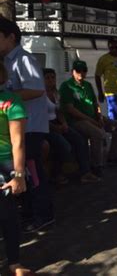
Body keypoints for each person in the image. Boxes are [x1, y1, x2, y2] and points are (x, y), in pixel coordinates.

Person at [0, 17, 54, 233]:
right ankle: (30, 213)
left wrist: (6, 97)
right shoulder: (6, 61)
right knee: (23, 173)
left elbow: (36, 89)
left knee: (33, 172)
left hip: (30, 127)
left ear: (11, 37)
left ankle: (44, 215)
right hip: (16, 128)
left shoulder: (24, 59)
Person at [59, 60, 117, 177]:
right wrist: (92, 121)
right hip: (77, 121)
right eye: (78, 71)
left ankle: (113, 156)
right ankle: (96, 165)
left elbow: (95, 104)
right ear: (72, 72)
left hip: (93, 117)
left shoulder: (88, 85)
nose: (81, 74)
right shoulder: (66, 86)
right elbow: (71, 110)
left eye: (84, 71)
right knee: (98, 133)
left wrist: (99, 116)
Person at [0, 62, 34, 276]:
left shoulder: (12, 102)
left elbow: (18, 142)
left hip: (5, 165)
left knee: (7, 214)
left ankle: (13, 262)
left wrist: (19, 175)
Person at [43, 68, 100, 184]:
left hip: (58, 122)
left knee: (78, 139)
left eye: (52, 77)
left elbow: (59, 111)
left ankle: (85, 172)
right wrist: (56, 128)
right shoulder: (40, 95)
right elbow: (41, 117)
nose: (50, 80)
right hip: (45, 126)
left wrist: (63, 123)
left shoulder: (56, 93)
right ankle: (56, 174)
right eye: (47, 78)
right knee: (63, 145)